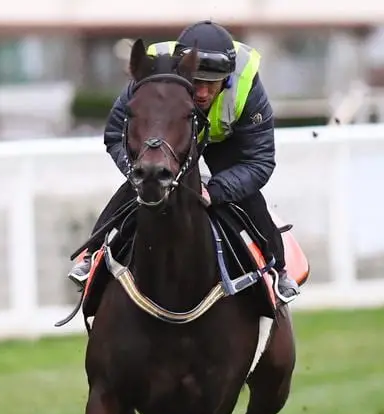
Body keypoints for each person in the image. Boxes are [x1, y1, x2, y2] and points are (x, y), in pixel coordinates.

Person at [68, 20, 300, 301]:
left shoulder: (247, 87)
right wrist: (139, 173)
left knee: (250, 201)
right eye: (196, 82)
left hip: (224, 140)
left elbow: (260, 160)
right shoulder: (153, 74)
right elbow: (116, 133)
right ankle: (91, 255)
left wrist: (215, 191)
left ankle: (279, 269)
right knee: (141, 187)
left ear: (227, 78)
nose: (202, 93)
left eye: (211, 84)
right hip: (172, 137)